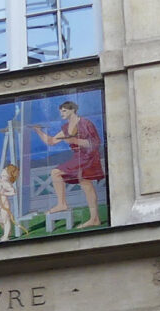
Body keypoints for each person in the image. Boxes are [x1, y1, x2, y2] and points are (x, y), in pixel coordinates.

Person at [32, 98, 105, 229]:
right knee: (83, 183)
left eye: (64, 111)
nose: (62, 114)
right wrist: (38, 131)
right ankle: (91, 217)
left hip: (88, 157)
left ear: (73, 110)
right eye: (61, 111)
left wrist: (74, 140)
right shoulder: (66, 128)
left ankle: (88, 216)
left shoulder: (85, 123)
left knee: (70, 178)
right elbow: (51, 141)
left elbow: (94, 143)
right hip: (78, 157)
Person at [0, 159, 20, 241]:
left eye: (5, 169)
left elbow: (13, 192)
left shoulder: (6, 183)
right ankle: (7, 231)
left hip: (4, 205)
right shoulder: (0, 181)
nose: (3, 169)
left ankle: (6, 236)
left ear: (9, 174)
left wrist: (4, 193)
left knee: (5, 220)